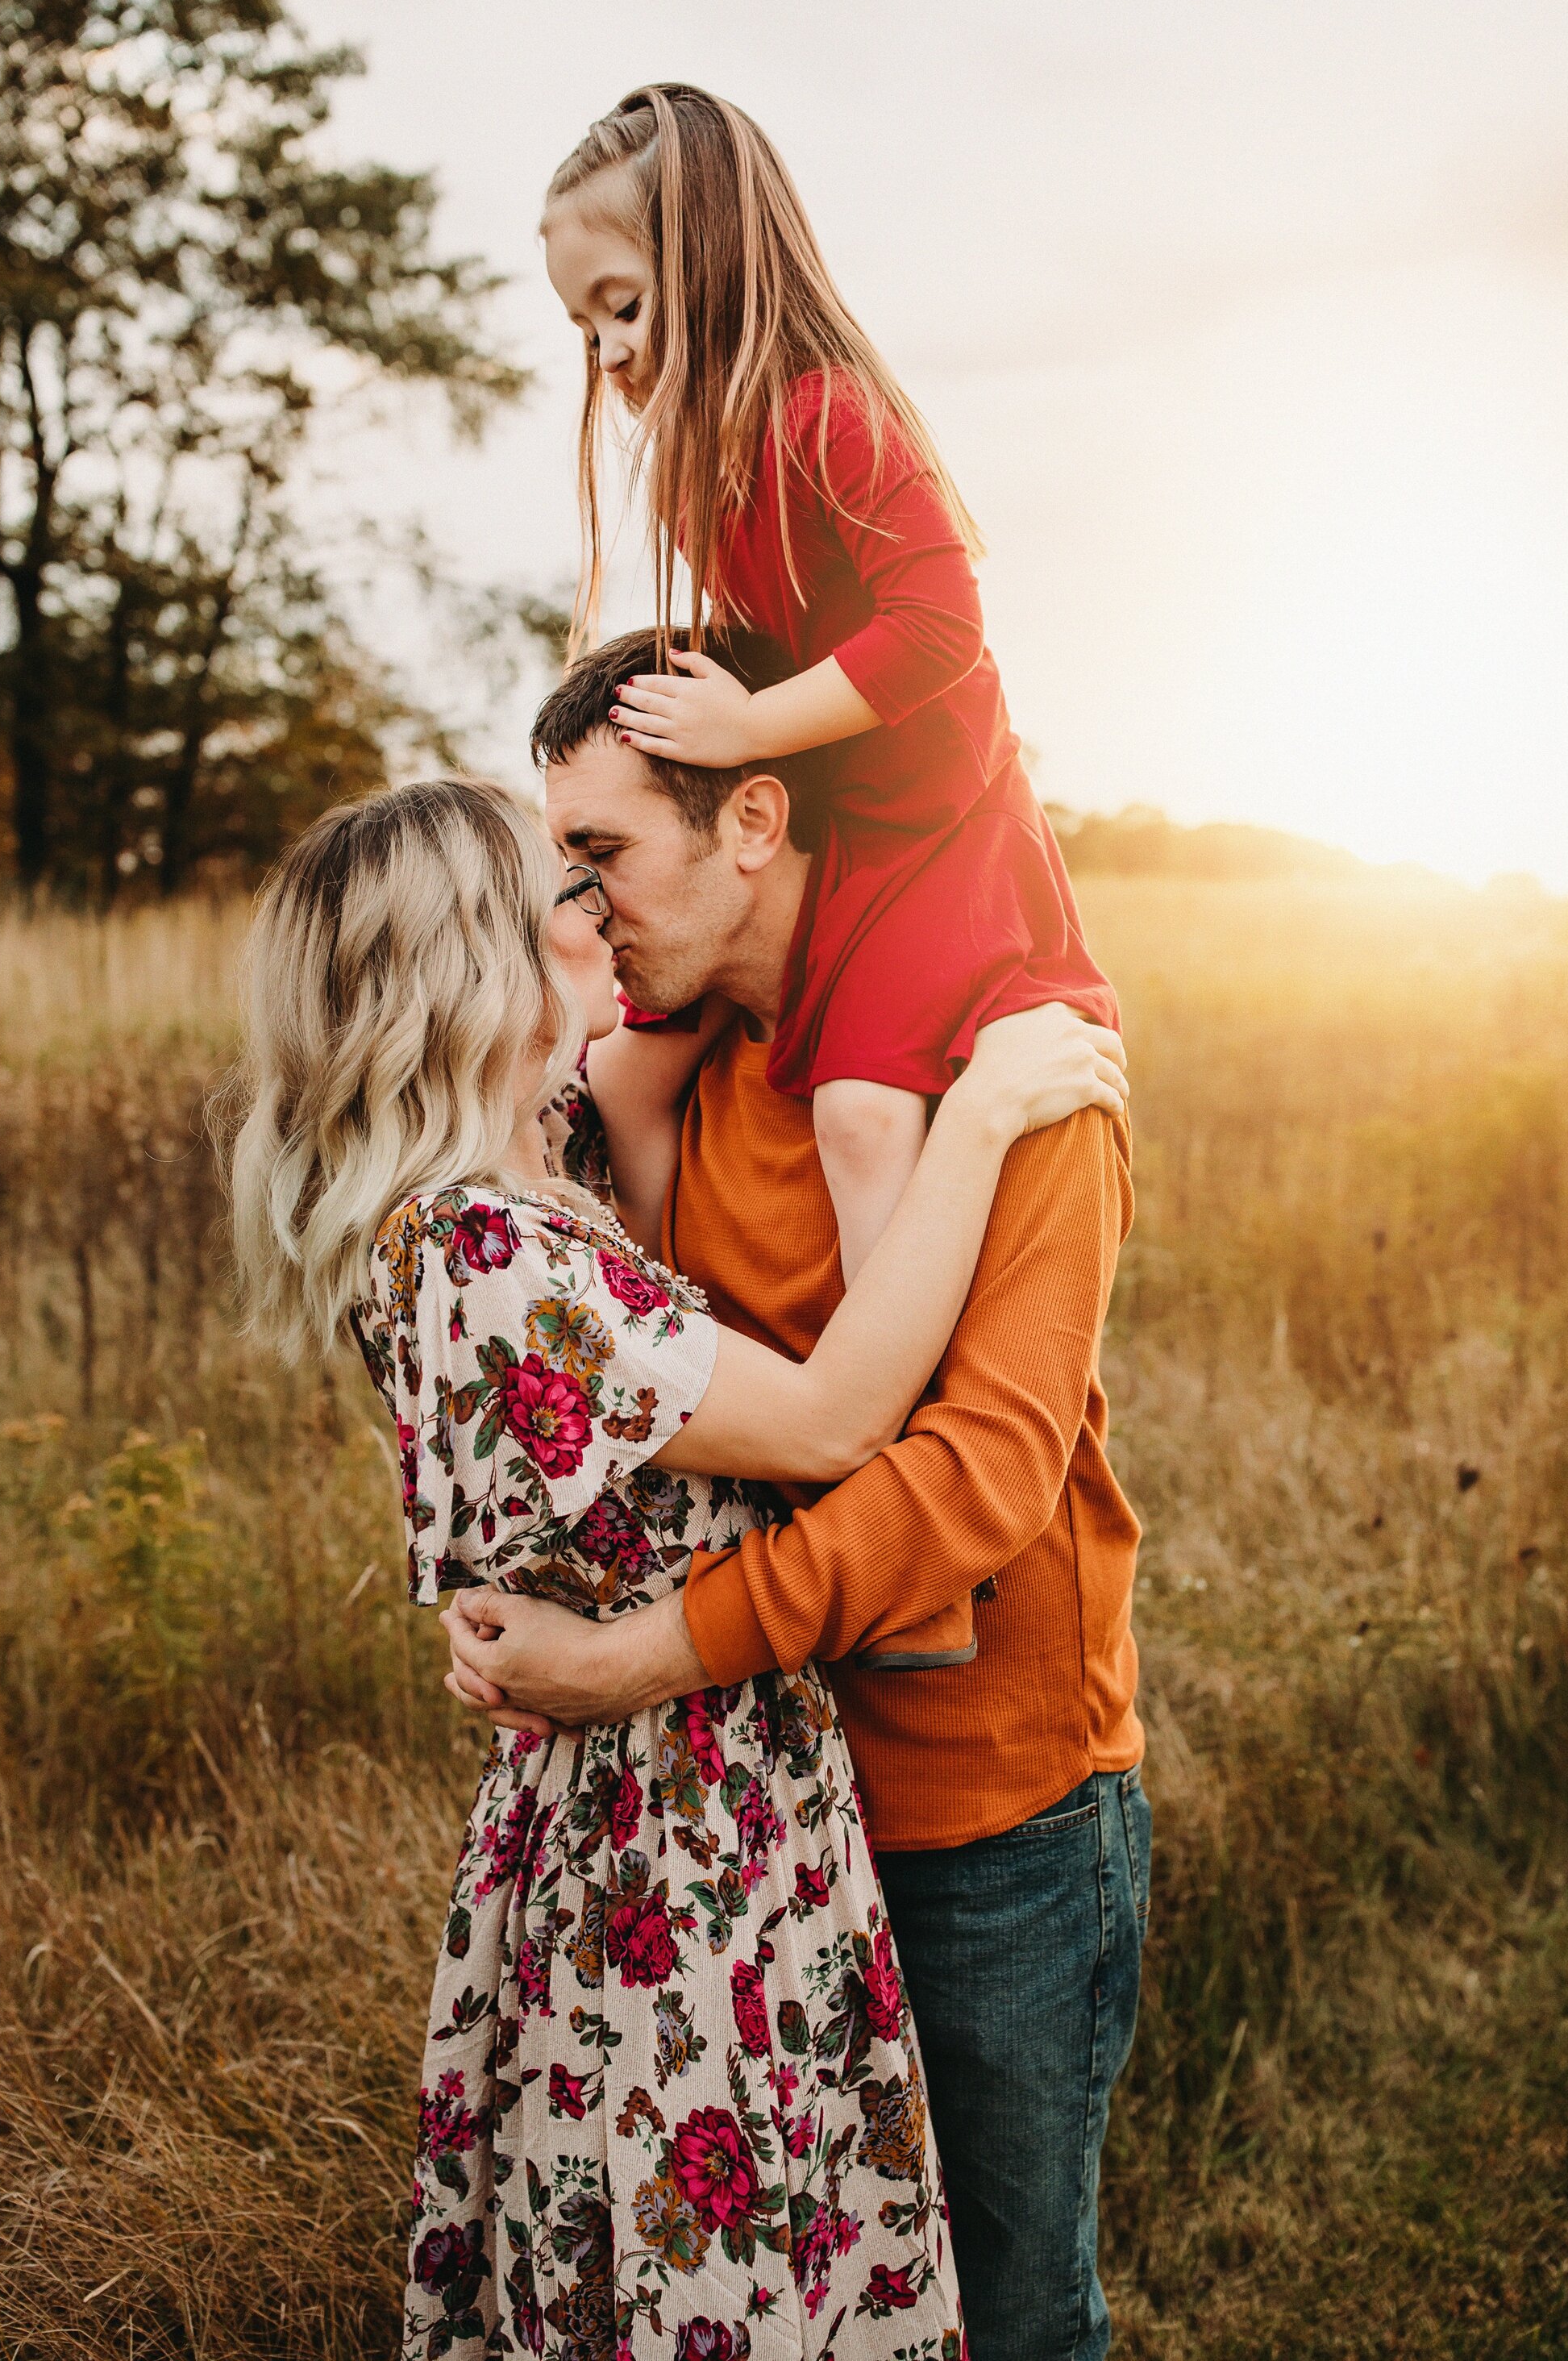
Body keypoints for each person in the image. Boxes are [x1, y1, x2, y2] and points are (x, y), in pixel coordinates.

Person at [223, 777, 1126, 2359]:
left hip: (722, 1805)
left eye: (600, 870)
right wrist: (978, 1111)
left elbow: (690, 961)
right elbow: (845, 1418)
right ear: (485, 969)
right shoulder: (488, 1253)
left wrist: (734, 840)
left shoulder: (520, 1183)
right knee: (699, 2279)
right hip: (665, 1847)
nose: (599, 910)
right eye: (566, 892)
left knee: (776, 2263)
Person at [443, 664, 1151, 2361]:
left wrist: (633, 1660)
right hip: (754, 1831)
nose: (579, 901)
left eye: (602, 848)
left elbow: (974, 1480)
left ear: (754, 816)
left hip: (988, 1819)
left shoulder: (1021, 1065)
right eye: (560, 858)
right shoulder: (672, 1074)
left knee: (1008, 2318)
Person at [541, 81, 1118, 1296]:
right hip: (835, 819)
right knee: (628, 1079)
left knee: (859, 1114)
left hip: (937, 830)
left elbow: (941, 627)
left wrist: (746, 726)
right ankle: (670, 1334)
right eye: (587, 330)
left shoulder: (830, 420)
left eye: (626, 307)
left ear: (715, 259)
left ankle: (880, 1403)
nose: (611, 354)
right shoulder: (706, 474)